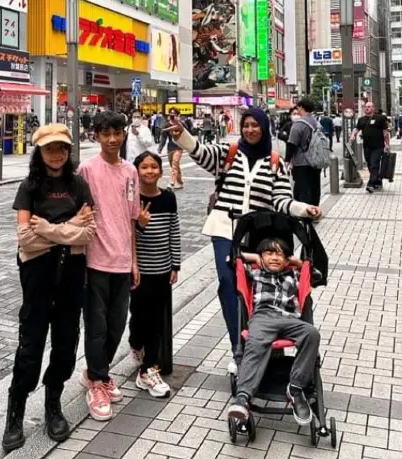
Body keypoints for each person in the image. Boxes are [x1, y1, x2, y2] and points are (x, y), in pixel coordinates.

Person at [166, 107, 320, 375]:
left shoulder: (275, 162)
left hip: (258, 235)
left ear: (263, 128)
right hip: (225, 229)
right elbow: (201, 152)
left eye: (255, 125)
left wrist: (304, 209)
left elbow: (281, 200)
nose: (250, 130)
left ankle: (262, 343)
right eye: (246, 125)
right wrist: (182, 135)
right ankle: (239, 348)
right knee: (229, 285)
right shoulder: (229, 153)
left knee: (255, 290)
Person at [2, 124, 96, 452]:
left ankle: (53, 404)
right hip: (37, 275)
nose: (56, 154)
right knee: (31, 342)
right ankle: (15, 411)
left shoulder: (80, 185)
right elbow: (25, 238)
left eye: (61, 148)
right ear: (39, 152)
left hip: (71, 273)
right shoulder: (29, 186)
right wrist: (69, 227)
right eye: (49, 148)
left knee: (66, 340)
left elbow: (88, 234)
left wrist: (48, 229)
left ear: (69, 151)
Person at [77, 111, 140, 421]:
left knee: (116, 325)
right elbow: (80, 215)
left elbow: (131, 218)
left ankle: (95, 372)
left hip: (122, 261)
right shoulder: (87, 170)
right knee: (96, 326)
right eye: (106, 134)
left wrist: (134, 262)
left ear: (124, 134)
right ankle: (98, 381)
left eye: (117, 132)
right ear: (97, 137)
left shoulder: (130, 171)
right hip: (95, 261)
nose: (113, 139)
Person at [228, 237, 319, 426]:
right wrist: (254, 257)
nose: (274, 258)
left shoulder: (293, 274)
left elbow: (316, 275)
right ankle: (243, 397)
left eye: (279, 254)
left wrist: (297, 262)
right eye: (269, 253)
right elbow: (231, 259)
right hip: (263, 317)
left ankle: (295, 388)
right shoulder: (256, 273)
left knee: (311, 333)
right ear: (262, 258)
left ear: (287, 259)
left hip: (289, 319)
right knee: (255, 342)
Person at [129, 152, 181, 398]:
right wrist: (139, 223)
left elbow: (174, 231)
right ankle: (134, 342)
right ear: (136, 171)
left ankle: (148, 368)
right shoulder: (132, 200)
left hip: (162, 269)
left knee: (156, 320)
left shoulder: (168, 198)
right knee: (138, 316)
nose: (149, 171)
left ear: (161, 171)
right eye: (144, 167)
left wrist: (176, 264)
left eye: (154, 167)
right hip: (139, 272)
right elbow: (127, 236)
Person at [286, 98, 322, 207]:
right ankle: (315, 209)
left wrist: (287, 160)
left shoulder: (299, 124)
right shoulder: (317, 122)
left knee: (302, 189)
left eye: (298, 107)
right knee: (315, 186)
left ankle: (305, 212)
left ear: (301, 107)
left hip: (302, 162)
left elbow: (292, 143)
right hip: (316, 160)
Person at [351, 102, 390, 194]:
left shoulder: (380, 118)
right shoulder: (361, 119)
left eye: (369, 107)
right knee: (370, 165)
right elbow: (357, 129)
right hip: (367, 146)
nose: (367, 108)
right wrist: (353, 135)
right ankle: (378, 181)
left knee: (374, 164)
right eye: (366, 107)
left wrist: (387, 144)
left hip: (378, 146)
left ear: (373, 108)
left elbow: (385, 132)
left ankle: (370, 184)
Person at [158, 109, 185, 189]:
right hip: (170, 147)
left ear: (177, 115)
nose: (172, 115)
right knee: (174, 165)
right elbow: (163, 137)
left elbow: (187, 132)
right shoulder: (167, 125)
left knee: (175, 163)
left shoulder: (181, 124)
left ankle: (171, 182)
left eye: (174, 113)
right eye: (171, 113)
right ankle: (179, 182)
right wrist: (160, 147)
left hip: (179, 147)